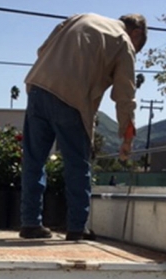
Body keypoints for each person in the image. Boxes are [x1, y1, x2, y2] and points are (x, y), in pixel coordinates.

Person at [19, 13, 147, 241]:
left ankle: (30, 223)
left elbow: (43, 50)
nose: (135, 53)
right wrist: (127, 136)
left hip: (38, 87)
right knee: (78, 164)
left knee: (34, 161)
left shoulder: (81, 18)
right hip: (72, 99)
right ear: (136, 33)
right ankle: (77, 228)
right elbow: (124, 94)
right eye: (138, 48)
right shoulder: (123, 41)